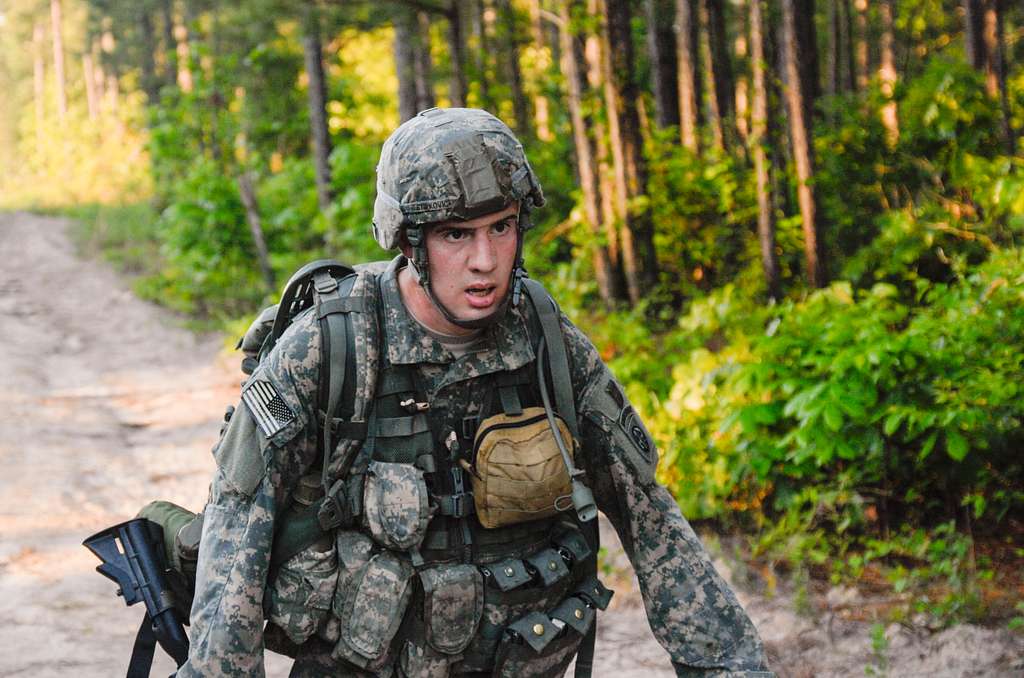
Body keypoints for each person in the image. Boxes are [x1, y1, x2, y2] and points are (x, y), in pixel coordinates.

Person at [176, 107, 773, 677]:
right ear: (410, 242)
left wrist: (730, 666)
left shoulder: (546, 341)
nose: (485, 261)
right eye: (456, 234)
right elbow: (236, 537)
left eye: (502, 227)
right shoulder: (330, 347)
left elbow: (653, 521)